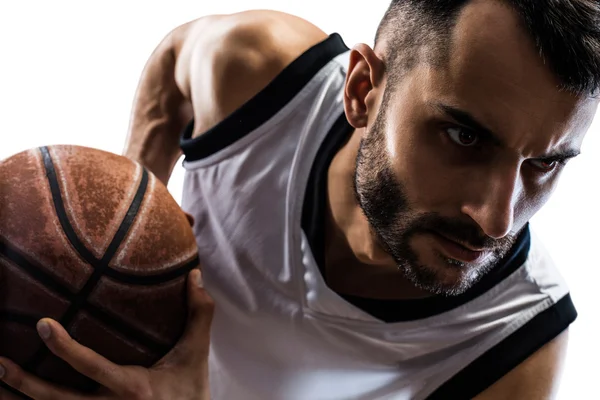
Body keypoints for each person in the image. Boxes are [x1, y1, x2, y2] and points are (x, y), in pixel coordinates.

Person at [1, 0, 599, 399]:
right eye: (465, 137)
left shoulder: (515, 346)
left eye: (543, 164)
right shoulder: (258, 72)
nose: (497, 218)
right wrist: (135, 216)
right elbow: (175, 63)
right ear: (364, 88)